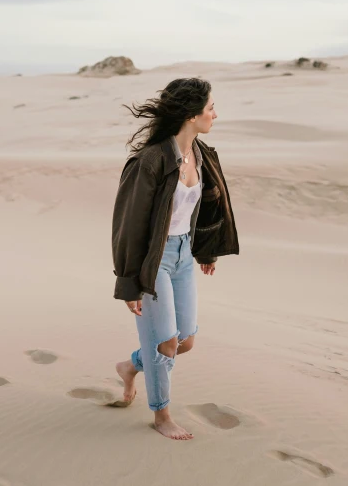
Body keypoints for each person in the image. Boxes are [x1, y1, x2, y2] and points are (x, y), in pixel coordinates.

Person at [111, 77, 240, 440]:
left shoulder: (203, 155)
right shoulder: (150, 161)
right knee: (164, 343)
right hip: (155, 259)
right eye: (211, 107)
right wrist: (129, 281)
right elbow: (129, 225)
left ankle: (130, 366)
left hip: (184, 255)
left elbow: (209, 206)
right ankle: (162, 415)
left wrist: (206, 251)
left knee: (185, 341)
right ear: (190, 114)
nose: (215, 113)